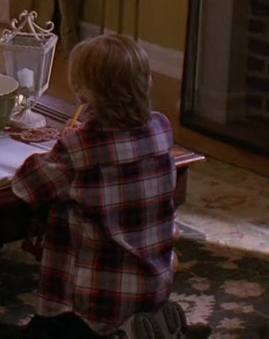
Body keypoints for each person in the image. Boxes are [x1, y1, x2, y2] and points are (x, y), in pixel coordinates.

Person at [12, 34, 186, 339]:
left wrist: (67, 143)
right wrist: (80, 140)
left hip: (95, 303)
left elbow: (26, 186)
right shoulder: (160, 128)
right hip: (152, 286)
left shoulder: (80, 148)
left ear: (85, 95)